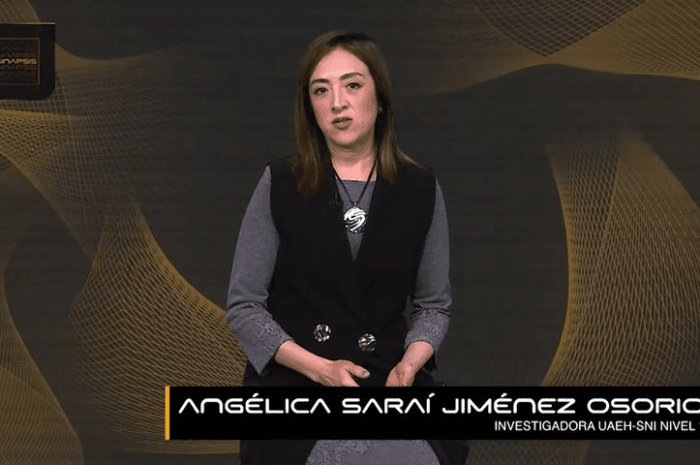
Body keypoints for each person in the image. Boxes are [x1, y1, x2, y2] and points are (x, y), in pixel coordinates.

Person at [226, 30, 468, 465]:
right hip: (298, 380)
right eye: (321, 91)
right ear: (310, 107)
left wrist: (410, 366)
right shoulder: (280, 183)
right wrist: (320, 369)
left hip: (388, 377)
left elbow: (434, 306)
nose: (337, 102)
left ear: (381, 98)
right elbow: (244, 307)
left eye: (352, 85)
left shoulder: (421, 188)